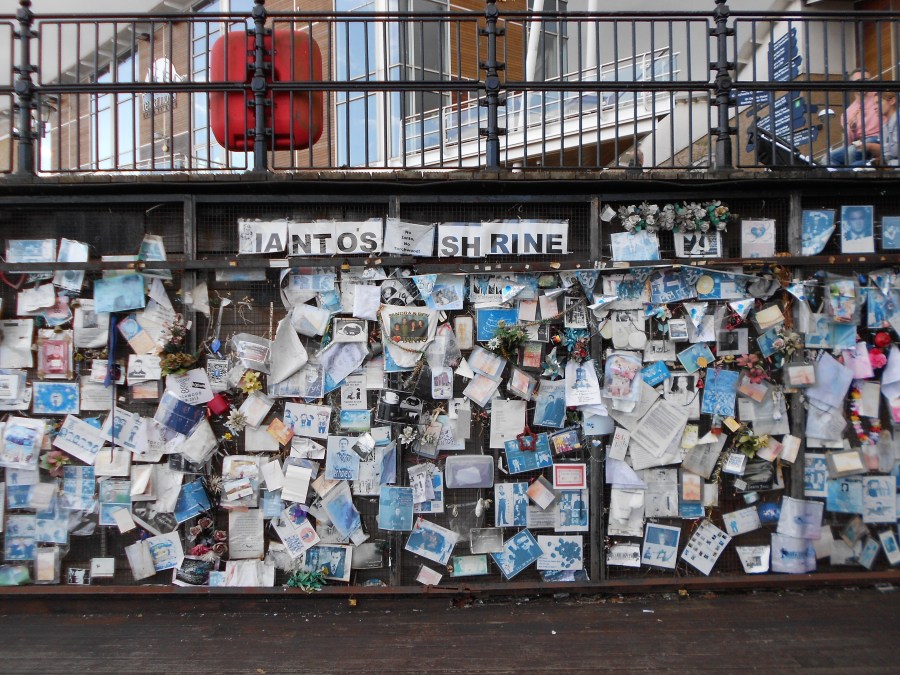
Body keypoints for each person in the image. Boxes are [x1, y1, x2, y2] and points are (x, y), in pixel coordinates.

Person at [829, 69, 882, 166]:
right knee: (829, 158)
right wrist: (852, 128)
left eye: (866, 80)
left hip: (879, 137)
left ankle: (853, 173)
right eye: (858, 81)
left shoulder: (880, 98)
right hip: (859, 142)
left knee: (851, 151)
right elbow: (849, 142)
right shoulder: (848, 112)